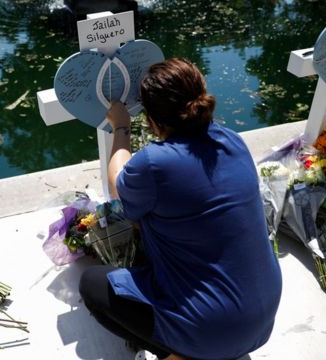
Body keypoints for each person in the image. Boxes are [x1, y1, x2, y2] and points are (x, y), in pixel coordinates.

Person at [79, 58, 282, 360]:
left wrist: (121, 126)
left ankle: (180, 354)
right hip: (264, 313)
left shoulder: (154, 163)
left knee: (93, 285)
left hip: (215, 330)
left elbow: (117, 185)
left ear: (152, 121)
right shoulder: (232, 140)